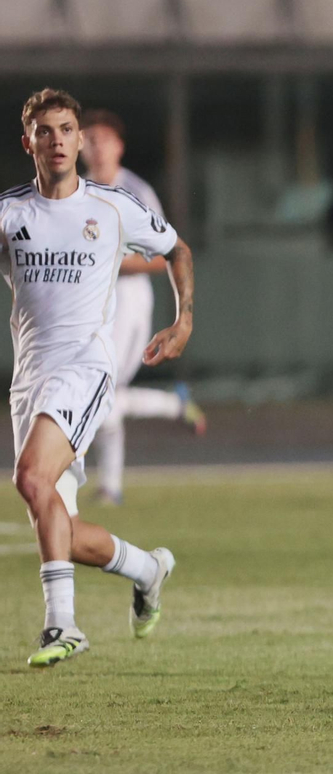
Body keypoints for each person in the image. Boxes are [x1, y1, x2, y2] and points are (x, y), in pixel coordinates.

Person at [5, 89, 193, 667]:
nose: (57, 140)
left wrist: (183, 319)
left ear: (79, 139)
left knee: (31, 477)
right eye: (45, 131)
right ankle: (147, 568)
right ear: (29, 143)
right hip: (29, 380)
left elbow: (177, 250)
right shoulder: (10, 213)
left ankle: (61, 626)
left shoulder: (112, 206)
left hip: (85, 367)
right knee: (59, 522)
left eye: (66, 129)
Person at [79, 109, 206, 506]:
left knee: (101, 393)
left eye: (104, 139)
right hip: (91, 304)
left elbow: (165, 255)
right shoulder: (76, 191)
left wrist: (108, 261)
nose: (97, 147)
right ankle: (173, 405)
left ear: (119, 146)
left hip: (128, 301)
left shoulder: (135, 191)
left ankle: (107, 485)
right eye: (90, 140)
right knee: (104, 393)